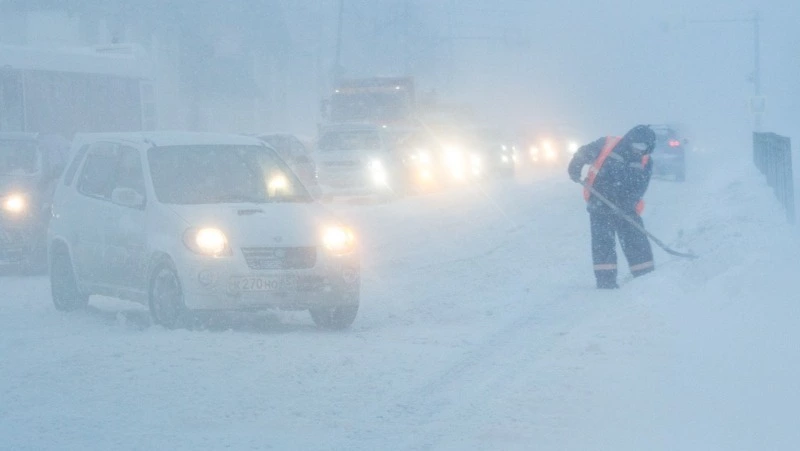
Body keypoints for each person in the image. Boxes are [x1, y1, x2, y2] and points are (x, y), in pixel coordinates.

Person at [567, 124, 656, 289]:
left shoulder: (646, 160)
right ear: (630, 140)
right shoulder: (608, 144)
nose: (638, 150)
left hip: (626, 208)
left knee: (636, 240)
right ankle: (606, 281)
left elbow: (640, 187)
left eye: (643, 147)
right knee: (603, 242)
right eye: (636, 145)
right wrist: (575, 167)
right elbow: (583, 153)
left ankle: (646, 276)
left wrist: (626, 204)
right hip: (600, 202)